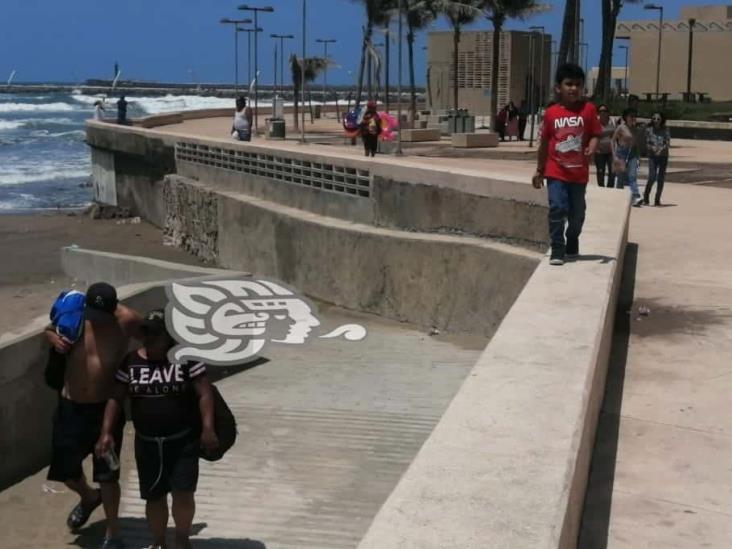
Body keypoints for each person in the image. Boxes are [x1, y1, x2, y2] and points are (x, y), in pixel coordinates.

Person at [96, 309, 218, 549]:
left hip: (182, 442)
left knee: (183, 493)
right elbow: (115, 398)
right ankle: (159, 542)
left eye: (156, 334)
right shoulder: (131, 361)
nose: (149, 338)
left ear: (169, 336)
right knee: (154, 497)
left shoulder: (186, 359)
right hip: (147, 444)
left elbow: (204, 393)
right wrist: (106, 432)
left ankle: (181, 540)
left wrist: (208, 428)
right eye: (146, 333)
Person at [45, 282, 142, 549]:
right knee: (65, 472)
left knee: (108, 475)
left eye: (102, 318)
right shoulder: (75, 312)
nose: (96, 322)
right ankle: (89, 497)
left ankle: (113, 534)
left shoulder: (128, 320)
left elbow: (155, 342)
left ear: (114, 310)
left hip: (106, 411)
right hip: (70, 407)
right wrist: (51, 337)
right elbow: (50, 328)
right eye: (93, 316)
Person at [532, 63, 602, 266]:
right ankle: (557, 246)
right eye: (568, 84)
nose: (573, 88)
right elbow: (544, 144)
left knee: (577, 214)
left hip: (578, 175)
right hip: (556, 171)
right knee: (557, 208)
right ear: (558, 88)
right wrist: (539, 170)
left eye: (577, 85)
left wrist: (592, 146)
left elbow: (596, 134)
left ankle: (573, 239)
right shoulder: (551, 113)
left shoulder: (588, 110)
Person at [612, 109, 644, 207]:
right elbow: (612, 140)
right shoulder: (621, 128)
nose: (633, 118)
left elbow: (637, 144)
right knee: (620, 178)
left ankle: (636, 196)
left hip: (633, 154)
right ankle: (618, 196)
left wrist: (639, 157)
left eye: (634, 116)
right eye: (631, 116)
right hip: (621, 153)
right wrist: (614, 156)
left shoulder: (636, 129)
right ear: (626, 117)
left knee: (632, 176)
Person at [644, 111, 671, 206]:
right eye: (654, 118)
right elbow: (647, 143)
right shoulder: (649, 129)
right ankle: (646, 196)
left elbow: (667, 142)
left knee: (661, 178)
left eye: (658, 119)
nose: (656, 121)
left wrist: (660, 150)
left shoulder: (665, 129)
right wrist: (653, 149)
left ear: (662, 120)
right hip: (652, 156)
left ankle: (657, 199)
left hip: (663, 156)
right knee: (652, 177)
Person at [594, 104, 617, 188]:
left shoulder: (613, 122)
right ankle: (601, 187)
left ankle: (610, 187)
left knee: (612, 171)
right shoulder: (595, 123)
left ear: (608, 113)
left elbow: (617, 134)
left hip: (611, 151)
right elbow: (594, 135)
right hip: (599, 151)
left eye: (604, 111)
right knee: (600, 171)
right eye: (600, 111)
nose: (602, 113)